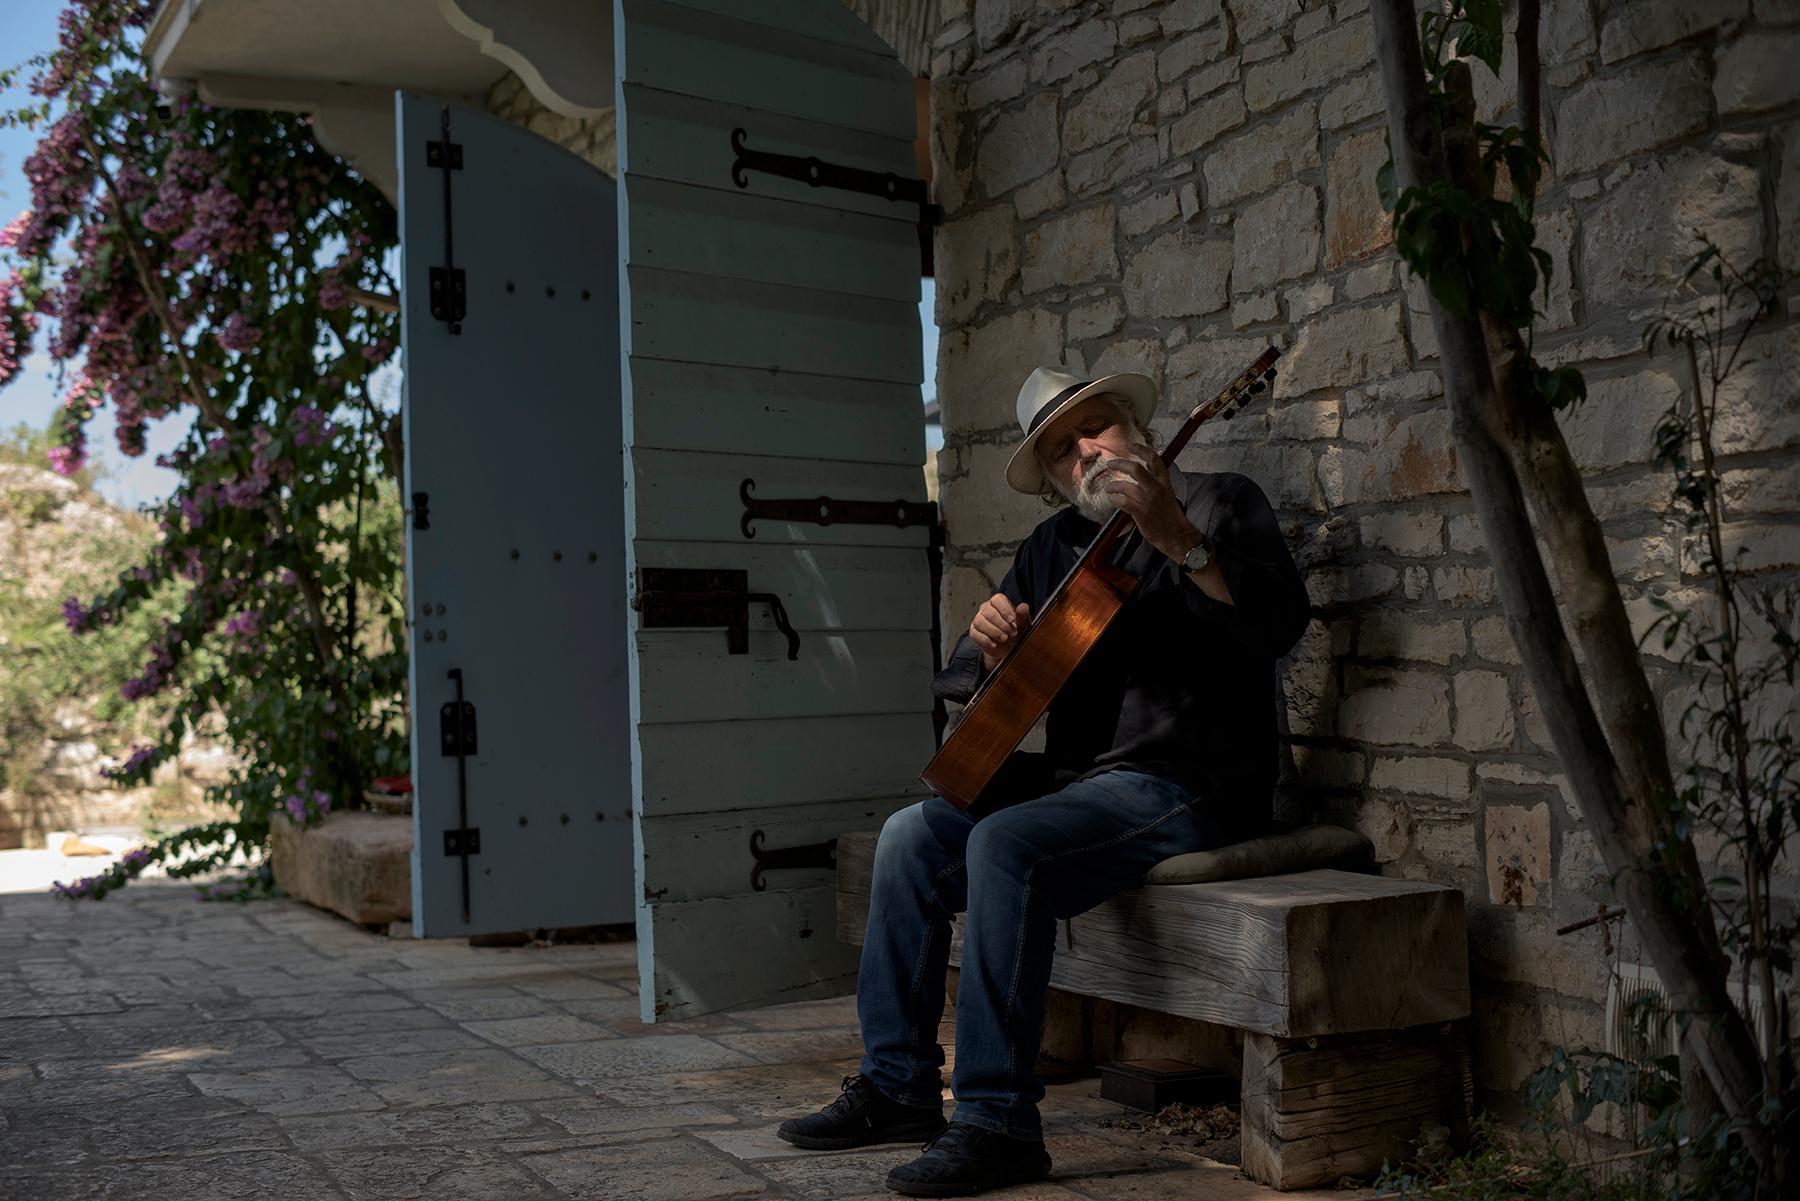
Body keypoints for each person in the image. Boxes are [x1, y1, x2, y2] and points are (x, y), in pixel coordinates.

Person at [776, 364, 1312, 1196]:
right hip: (1081, 785)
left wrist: (1182, 541)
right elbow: (971, 689)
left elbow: (1278, 624)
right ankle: (897, 1086)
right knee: (909, 836)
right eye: (1062, 452)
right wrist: (986, 648)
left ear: (1133, 424)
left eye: (1095, 429)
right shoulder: (1054, 548)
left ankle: (996, 1124)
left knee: (1005, 841)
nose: (1086, 454)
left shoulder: (1218, 501)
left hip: (1190, 782)